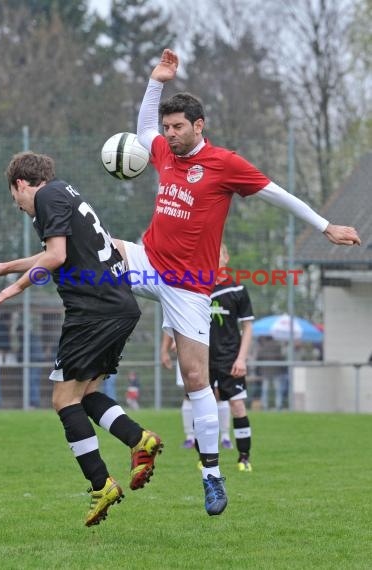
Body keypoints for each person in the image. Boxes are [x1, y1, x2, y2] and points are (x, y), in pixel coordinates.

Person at [113, 48, 360, 516]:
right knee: (96, 248)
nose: (168, 135)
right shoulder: (163, 150)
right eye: (167, 128)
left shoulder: (225, 164)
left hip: (188, 288)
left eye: (178, 127)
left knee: (195, 380)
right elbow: (144, 127)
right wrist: (156, 81)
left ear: (199, 125)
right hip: (148, 260)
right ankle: (61, 301)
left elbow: (276, 195)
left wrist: (325, 225)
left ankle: (211, 475)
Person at [0, 151, 163, 527]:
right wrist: (5, 267)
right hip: (119, 307)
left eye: (15, 198)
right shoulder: (64, 194)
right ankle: (138, 439)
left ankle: (101, 485)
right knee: (87, 394)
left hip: (92, 312)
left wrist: (14, 287)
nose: (18, 206)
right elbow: (53, 252)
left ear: (21, 185)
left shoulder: (46, 198)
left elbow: (56, 256)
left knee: (63, 399)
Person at [162, 243, 255, 471]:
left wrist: (241, 359)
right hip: (201, 357)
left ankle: (244, 457)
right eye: (210, 255)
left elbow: (248, 327)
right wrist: (177, 339)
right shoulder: (197, 289)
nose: (215, 259)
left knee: (237, 405)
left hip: (229, 359)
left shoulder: (237, 290)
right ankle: (204, 458)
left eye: (219, 254)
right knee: (200, 406)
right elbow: (181, 317)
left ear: (226, 258)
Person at [256, 336, 288, 411]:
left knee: (265, 389)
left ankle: (264, 405)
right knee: (278, 390)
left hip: (265, 371)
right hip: (276, 371)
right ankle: (278, 405)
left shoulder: (263, 347)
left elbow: (259, 357)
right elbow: (282, 358)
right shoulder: (278, 346)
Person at [17, 327, 45, 408]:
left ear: (21, 331)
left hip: (33, 361)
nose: (18, 335)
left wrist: (18, 359)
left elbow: (22, 351)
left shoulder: (26, 338)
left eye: (19, 333)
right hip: (37, 360)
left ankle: (33, 403)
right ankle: (33, 402)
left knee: (32, 382)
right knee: (34, 381)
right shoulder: (32, 336)